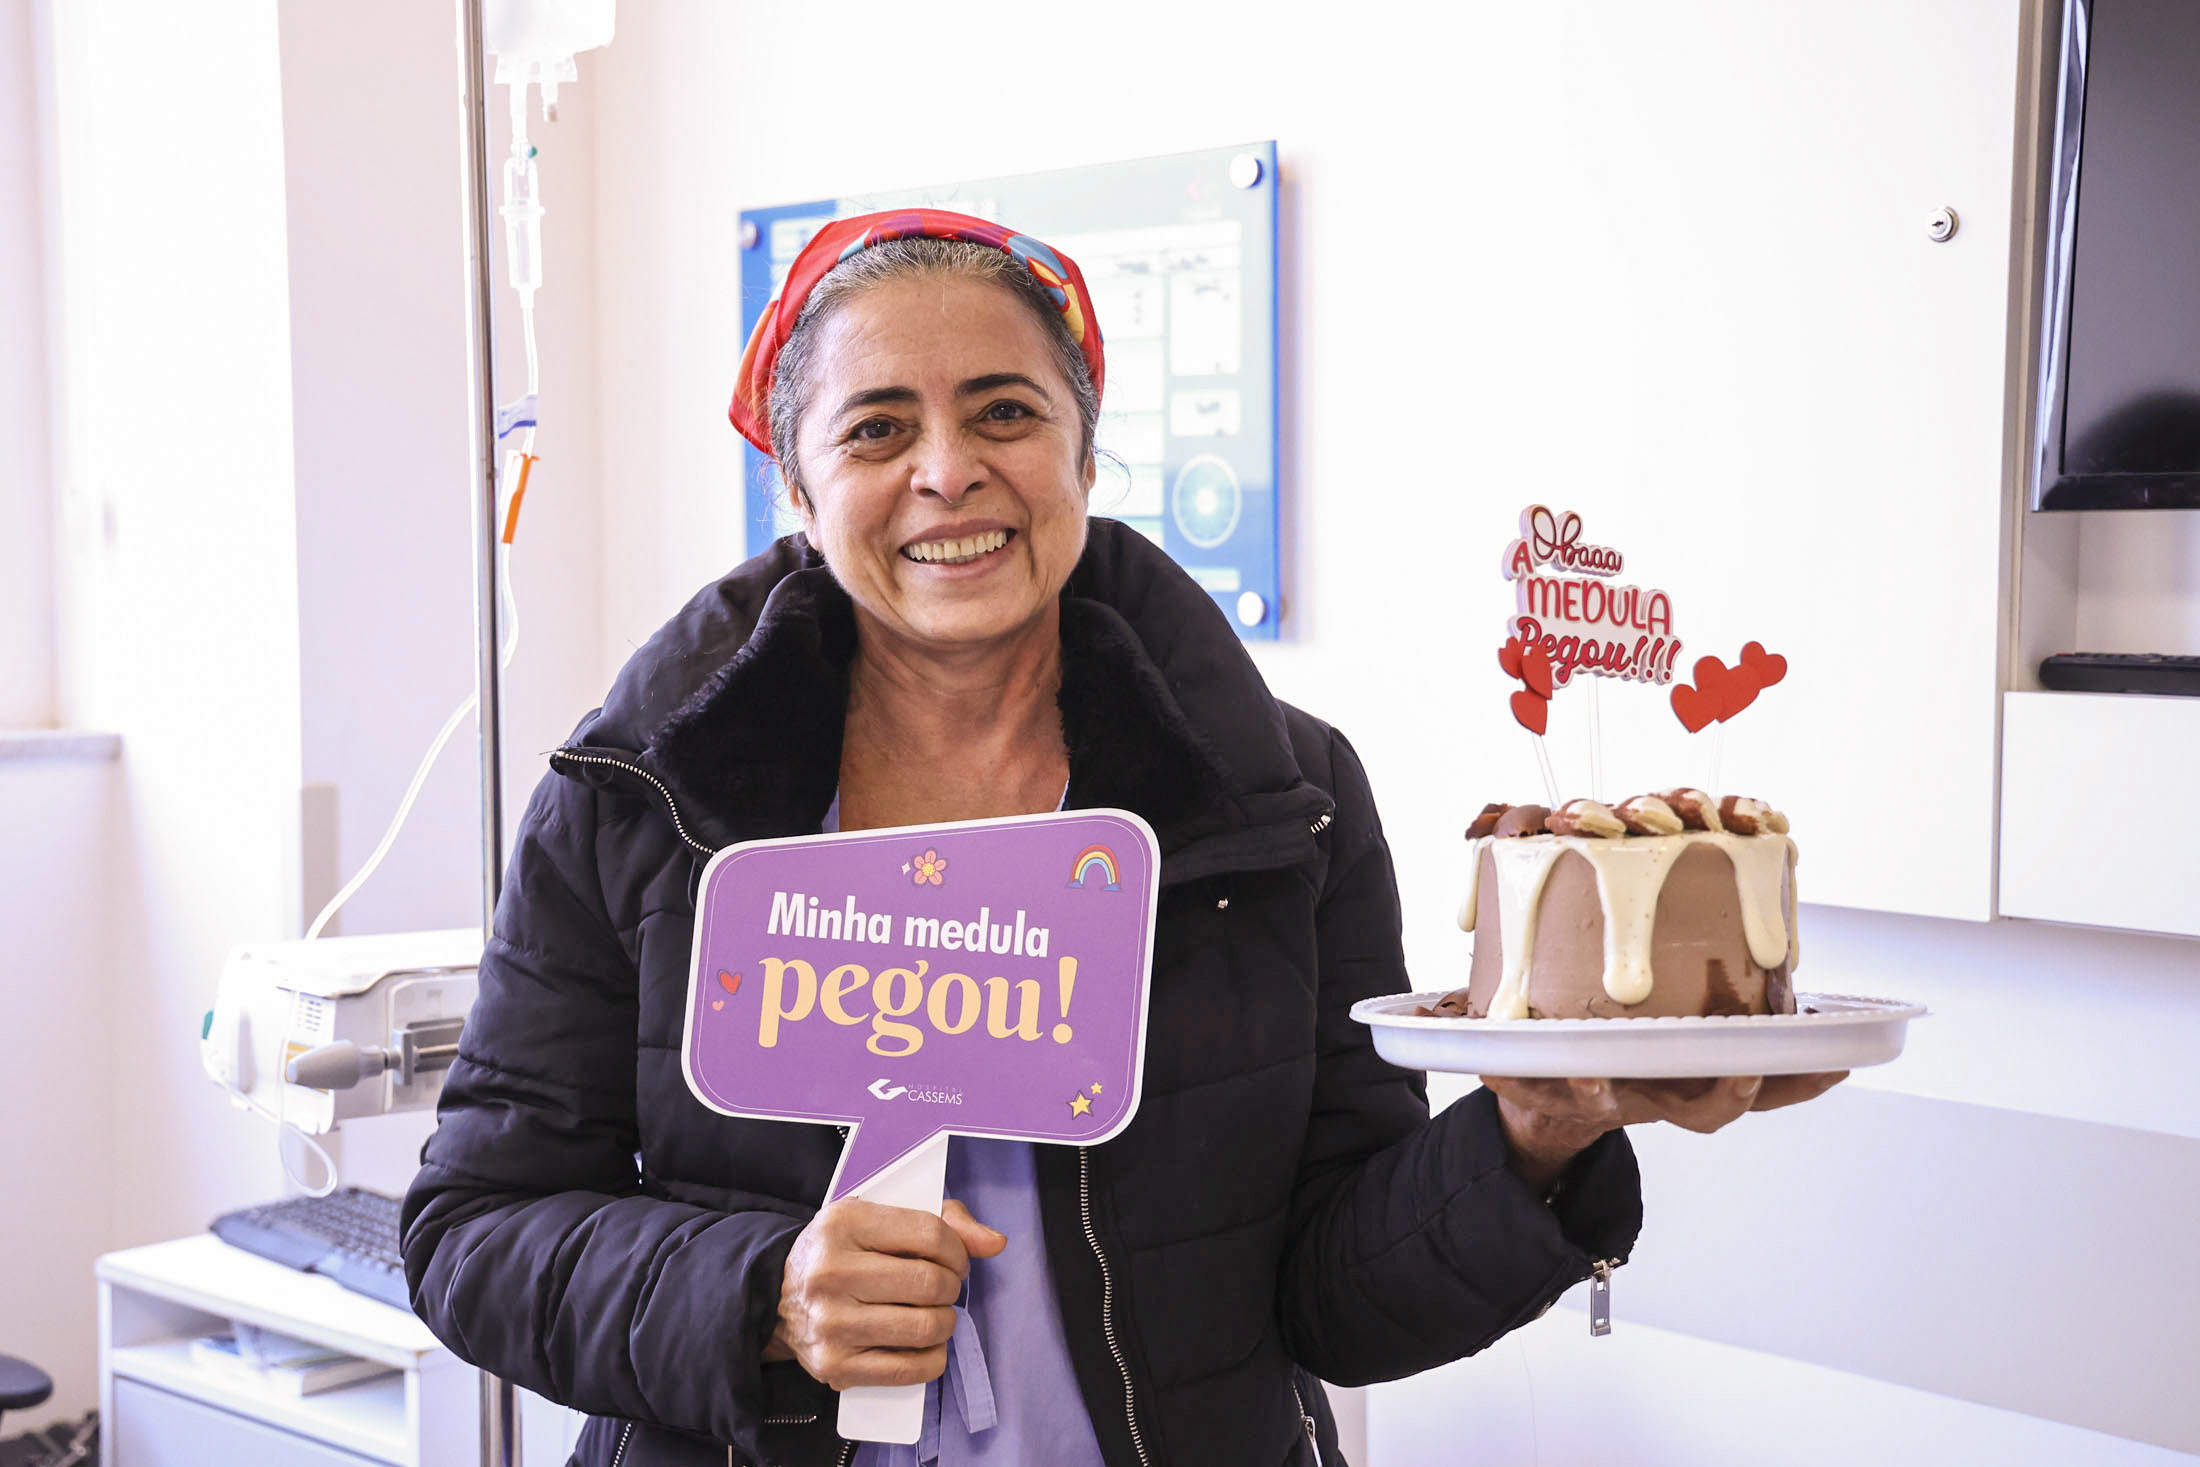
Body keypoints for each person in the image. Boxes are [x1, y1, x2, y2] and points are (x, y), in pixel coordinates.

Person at [402, 210, 1844, 1467]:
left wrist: (1535, 1137)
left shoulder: (1279, 801)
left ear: (1084, 453)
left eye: (1005, 413)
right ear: (798, 486)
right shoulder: (637, 801)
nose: (948, 470)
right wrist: (759, 1293)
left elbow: (1333, 1303)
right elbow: (471, 1232)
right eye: (877, 428)